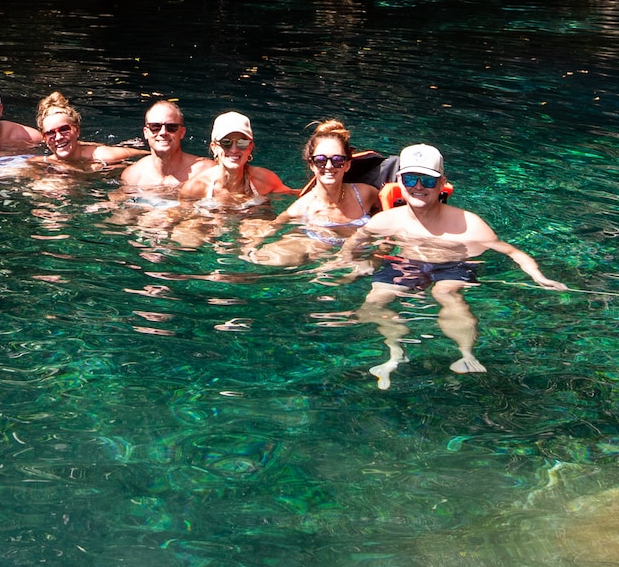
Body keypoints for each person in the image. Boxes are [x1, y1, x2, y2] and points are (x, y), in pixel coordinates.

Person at [334, 143, 568, 389]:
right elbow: (355, 242)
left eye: (428, 180)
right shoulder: (385, 221)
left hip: (453, 264)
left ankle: (466, 355)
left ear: (442, 183)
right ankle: (394, 351)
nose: (418, 187)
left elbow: (511, 251)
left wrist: (538, 276)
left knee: (445, 293)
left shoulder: (469, 225)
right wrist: (347, 264)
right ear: (399, 182)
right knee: (376, 298)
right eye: (411, 179)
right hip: (407, 263)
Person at [243, 119, 380, 265]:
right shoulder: (302, 208)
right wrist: (250, 244)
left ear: (347, 165)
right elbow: (273, 226)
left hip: (359, 257)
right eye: (320, 160)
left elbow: (388, 213)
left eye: (337, 160)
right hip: (321, 258)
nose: (329, 166)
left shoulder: (365, 194)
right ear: (311, 165)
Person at [177, 111, 294, 207]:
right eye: (226, 143)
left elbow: (292, 196)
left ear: (250, 147)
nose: (234, 150)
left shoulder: (265, 180)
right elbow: (183, 220)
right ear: (214, 148)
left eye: (242, 143)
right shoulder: (195, 188)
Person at [35, 91, 146, 171]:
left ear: (77, 130)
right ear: (44, 138)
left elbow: (148, 156)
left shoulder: (103, 156)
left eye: (64, 129)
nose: (58, 137)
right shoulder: (40, 162)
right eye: (50, 133)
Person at [119, 101, 214, 189]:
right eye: (155, 127)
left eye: (171, 127)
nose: (163, 132)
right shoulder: (132, 176)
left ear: (182, 132)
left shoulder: (206, 171)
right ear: (146, 132)